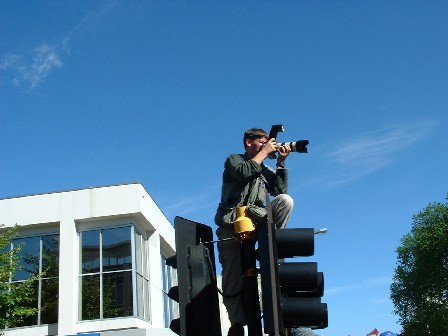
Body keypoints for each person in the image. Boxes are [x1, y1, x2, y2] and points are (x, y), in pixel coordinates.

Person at [214, 127, 294, 336]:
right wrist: (264, 153)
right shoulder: (234, 160)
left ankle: (275, 246)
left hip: (257, 221)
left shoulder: (264, 169)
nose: (268, 146)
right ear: (249, 142)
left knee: (286, 201)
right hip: (231, 224)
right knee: (231, 273)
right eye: (263, 142)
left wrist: (280, 163)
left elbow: (280, 191)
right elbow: (244, 173)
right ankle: (237, 322)